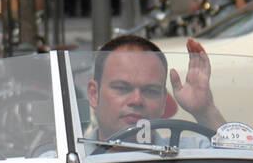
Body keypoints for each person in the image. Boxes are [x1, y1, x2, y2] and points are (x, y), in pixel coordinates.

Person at [87, 35, 224, 143]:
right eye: (122, 88)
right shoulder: (68, 161)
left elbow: (239, 160)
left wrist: (205, 110)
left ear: (164, 101)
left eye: (150, 91)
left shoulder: (188, 153)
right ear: (94, 94)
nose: (137, 100)